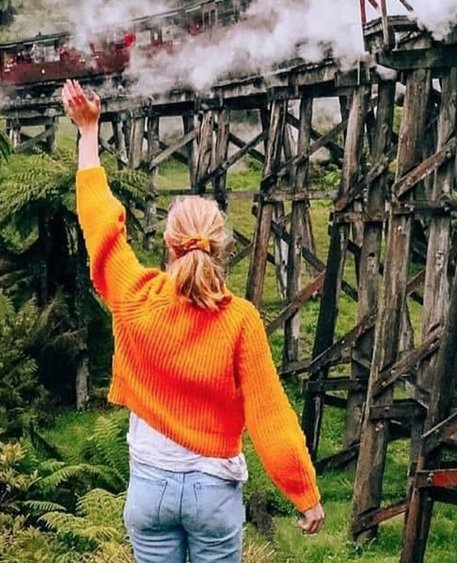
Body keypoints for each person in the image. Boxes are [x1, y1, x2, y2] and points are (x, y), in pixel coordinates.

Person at [61, 80, 324, 562]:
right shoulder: (241, 321)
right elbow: (270, 414)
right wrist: (303, 492)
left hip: (149, 490)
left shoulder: (134, 294)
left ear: (168, 244)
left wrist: (88, 132)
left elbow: (98, 220)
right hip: (213, 492)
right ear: (223, 249)